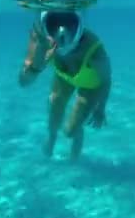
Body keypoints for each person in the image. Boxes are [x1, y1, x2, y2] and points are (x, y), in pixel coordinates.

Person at [18, 10, 112, 161]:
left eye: (70, 24)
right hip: (65, 77)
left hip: (91, 84)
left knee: (70, 131)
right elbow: (24, 82)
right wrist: (37, 64)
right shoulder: (42, 39)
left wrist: (100, 108)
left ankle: (76, 136)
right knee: (55, 104)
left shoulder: (94, 50)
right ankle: (52, 137)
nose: (61, 32)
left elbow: (105, 80)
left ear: (80, 25)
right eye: (53, 24)